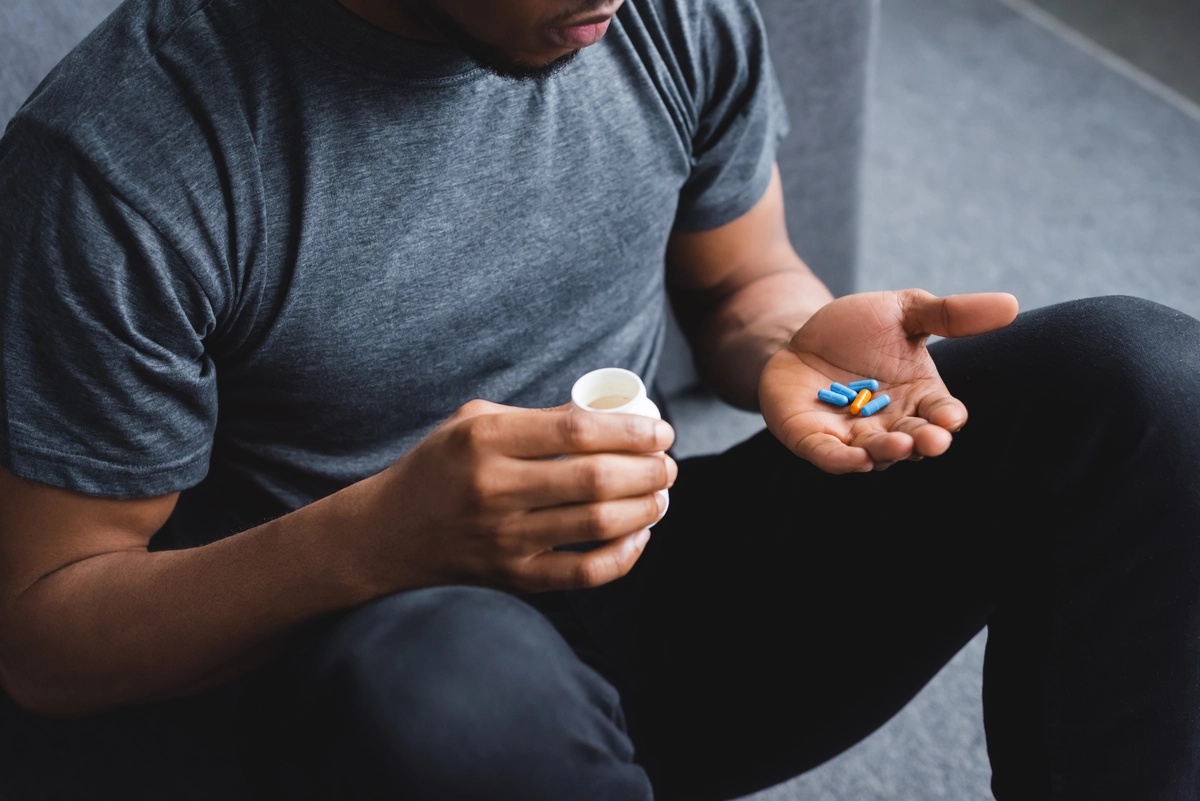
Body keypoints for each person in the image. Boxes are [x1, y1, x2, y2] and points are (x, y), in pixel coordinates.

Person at [0, 0, 1197, 799]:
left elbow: (744, 283)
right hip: (358, 684)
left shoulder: (653, 13)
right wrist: (378, 539)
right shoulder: (128, 160)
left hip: (652, 587)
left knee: (1145, 382)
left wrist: (800, 345)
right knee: (443, 680)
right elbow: (47, 637)